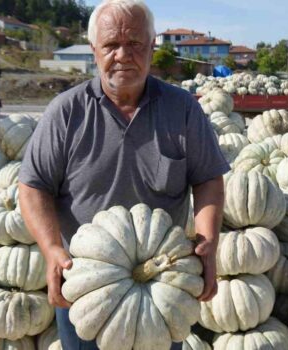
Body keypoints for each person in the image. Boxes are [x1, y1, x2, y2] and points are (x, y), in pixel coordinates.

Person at [17, 0, 229, 348]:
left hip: (164, 281)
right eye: (111, 45)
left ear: (151, 46)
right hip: (87, 284)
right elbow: (33, 186)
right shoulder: (66, 112)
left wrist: (208, 243)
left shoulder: (183, 109)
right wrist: (52, 248)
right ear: (94, 50)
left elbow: (207, 179)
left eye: (134, 44)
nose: (123, 55)